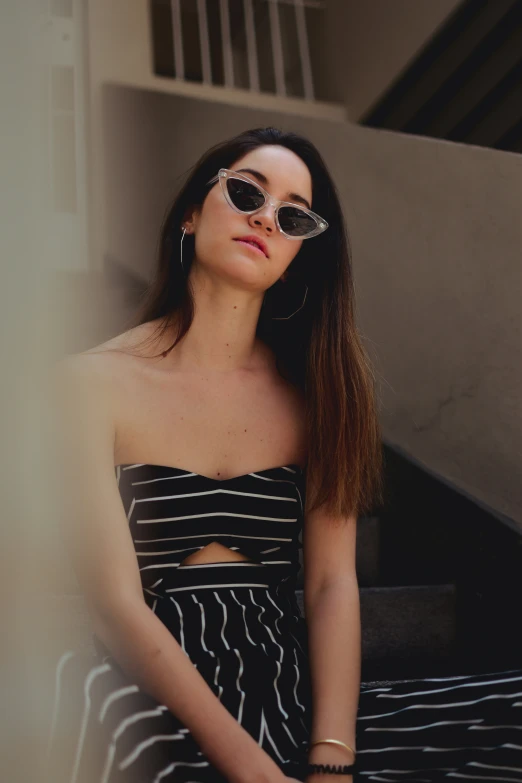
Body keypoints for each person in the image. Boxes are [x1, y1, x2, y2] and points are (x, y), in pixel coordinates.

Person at [45, 127, 522, 783]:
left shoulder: (318, 393)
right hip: (146, 688)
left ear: (297, 253)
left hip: (281, 677)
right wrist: (255, 770)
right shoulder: (86, 384)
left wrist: (330, 759)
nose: (265, 217)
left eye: (292, 214)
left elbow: (330, 586)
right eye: (246, 191)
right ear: (191, 211)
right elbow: (114, 606)